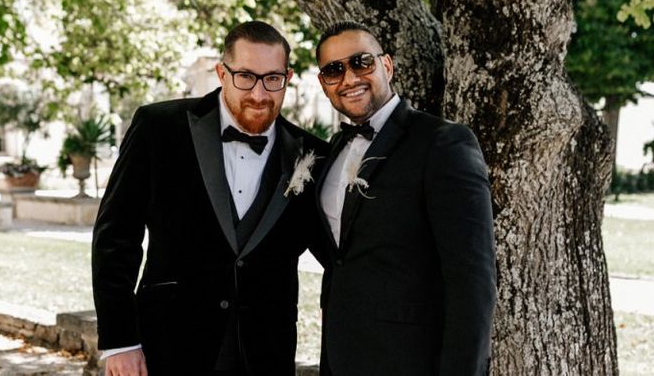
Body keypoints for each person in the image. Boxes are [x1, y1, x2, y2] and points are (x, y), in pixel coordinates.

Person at [92, 21, 322, 376]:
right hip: (169, 344)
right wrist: (121, 341)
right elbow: (115, 237)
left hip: (265, 352)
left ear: (287, 77)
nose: (259, 93)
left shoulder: (311, 154)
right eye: (245, 76)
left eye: (272, 79)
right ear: (221, 72)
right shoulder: (159, 127)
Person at [314, 21, 497, 375]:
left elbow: (472, 280)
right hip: (341, 359)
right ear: (324, 83)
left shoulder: (443, 143)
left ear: (387, 65)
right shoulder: (332, 151)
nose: (349, 78)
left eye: (361, 62)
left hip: (413, 362)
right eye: (334, 70)